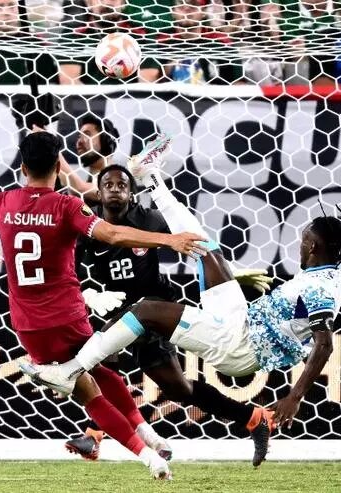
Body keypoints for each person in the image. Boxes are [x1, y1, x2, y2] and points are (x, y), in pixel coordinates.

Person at [20, 133, 341, 431]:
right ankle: (151, 176)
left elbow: (324, 344)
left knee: (145, 312)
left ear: (312, 245)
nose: (299, 242)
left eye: (303, 237)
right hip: (243, 319)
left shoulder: (322, 287)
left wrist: (294, 397)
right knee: (204, 246)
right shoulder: (321, 275)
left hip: (239, 345)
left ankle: (70, 370)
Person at [0, 131, 206, 480]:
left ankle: (150, 454)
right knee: (101, 374)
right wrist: (169, 240)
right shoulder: (67, 206)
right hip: (69, 315)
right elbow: (113, 235)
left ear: (22, 167)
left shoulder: (0, 203)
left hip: (29, 325)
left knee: (89, 390)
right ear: (58, 166)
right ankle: (150, 441)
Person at [65, 164, 277, 465]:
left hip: (155, 308)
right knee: (176, 387)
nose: (115, 189)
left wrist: (231, 274)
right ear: (98, 193)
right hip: (119, 309)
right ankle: (252, 417)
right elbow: (68, 271)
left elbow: (193, 240)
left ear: (132, 192)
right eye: (108, 185)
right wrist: (89, 293)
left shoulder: (147, 219)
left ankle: (95, 434)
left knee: (103, 359)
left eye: (122, 184)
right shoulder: (90, 228)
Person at [58, 0, 161, 84]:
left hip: (131, 103)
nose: (107, 3)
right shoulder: (74, 35)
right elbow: (69, 81)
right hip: (88, 105)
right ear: (89, 4)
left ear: (123, 3)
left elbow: (147, 81)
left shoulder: (141, 34)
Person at [156, 0, 243, 85]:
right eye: (181, 4)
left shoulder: (220, 42)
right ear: (173, 11)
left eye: (194, 4)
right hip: (172, 97)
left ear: (204, 12)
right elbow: (152, 82)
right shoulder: (162, 43)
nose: (187, 9)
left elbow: (238, 83)